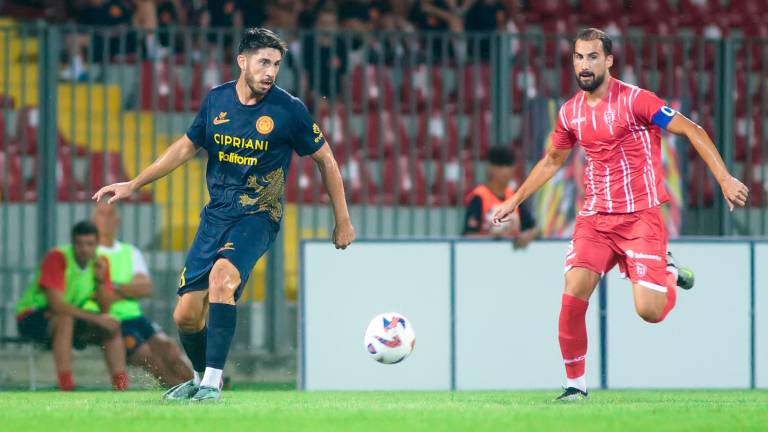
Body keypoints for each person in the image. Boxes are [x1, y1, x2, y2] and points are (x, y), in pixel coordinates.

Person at [92, 27, 356, 402]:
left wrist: (342, 219)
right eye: (264, 62)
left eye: (277, 64)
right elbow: (185, 148)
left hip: (258, 215)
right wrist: (135, 183)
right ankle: (200, 377)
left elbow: (325, 160)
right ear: (242, 61)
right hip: (215, 216)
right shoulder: (216, 101)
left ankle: (213, 383)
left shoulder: (289, 109)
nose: (270, 72)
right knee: (185, 315)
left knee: (222, 278)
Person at [492, 28, 749, 401]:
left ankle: (669, 274)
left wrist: (724, 178)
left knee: (650, 311)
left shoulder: (637, 101)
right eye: (579, 57)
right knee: (573, 292)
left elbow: (692, 130)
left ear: (609, 60)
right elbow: (552, 160)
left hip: (640, 217)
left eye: (593, 56)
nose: (584, 64)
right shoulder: (570, 112)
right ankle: (575, 387)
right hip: (595, 218)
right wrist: (514, 199)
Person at [15, 221, 128, 391]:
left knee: (111, 325)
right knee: (65, 319)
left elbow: (105, 309)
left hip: (70, 318)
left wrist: (100, 281)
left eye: (89, 244)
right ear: (73, 243)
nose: (84, 249)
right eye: (79, 244)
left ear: (97, 244)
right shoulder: (57, 257)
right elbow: (57, 305)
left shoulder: (100, 262)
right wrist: (98, 318)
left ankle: (121, 387)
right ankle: (66, 386)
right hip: (32, 317)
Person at [91, 201, 193, 387]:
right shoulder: (90, 254)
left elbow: (146, 288)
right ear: (93, 219)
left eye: (110, 214)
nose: (105, 219)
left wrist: (112, 285)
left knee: (169, 348)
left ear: (118, 220)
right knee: (148, 356)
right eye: (101, 213)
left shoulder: (130, 252)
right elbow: (101, 297)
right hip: (109, 319)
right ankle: (179, 390)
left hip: (135, 317)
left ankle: (201, 386)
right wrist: (129, 288)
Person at [462, 145, 539, 249]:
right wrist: (492, 236)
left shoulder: (515, 197)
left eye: (508, 165)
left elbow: (535, 228)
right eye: (501, 165)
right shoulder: (479, 197)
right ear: (491, 168)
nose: (505, 170)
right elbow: (468, 236)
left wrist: (528, 235)